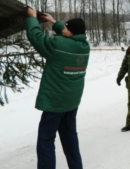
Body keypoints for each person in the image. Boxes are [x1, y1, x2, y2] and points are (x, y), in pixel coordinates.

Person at [25, 8, 90, 169]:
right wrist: (54, 22)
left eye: (66, 29)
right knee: (70, 137)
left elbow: (36, 37)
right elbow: (67, 33)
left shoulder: (58, 45)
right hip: (71, 101)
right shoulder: (84, 46)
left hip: (55, 103)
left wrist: (32, 18)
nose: (64, 30)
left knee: (46, 140)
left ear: (71, 33)